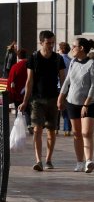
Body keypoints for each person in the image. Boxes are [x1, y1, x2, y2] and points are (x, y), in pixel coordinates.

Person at [18, 30, 66, 172]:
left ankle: (48, 159)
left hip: (53, 99)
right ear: (41, 42)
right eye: (48, 43)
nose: (51, 45)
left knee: (51, 130)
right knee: (37, 129)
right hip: (37, 99)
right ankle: (38, 160)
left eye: (52, 43)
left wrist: (62, 98)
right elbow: (29, 81)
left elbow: (63, 79)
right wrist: (25, 101)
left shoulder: (58, 59)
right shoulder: (33, 58)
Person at [57, 38, 94, 173]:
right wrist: (61, 97)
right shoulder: (73, 62)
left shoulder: (92, 63)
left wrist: (86, 104)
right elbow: (67, 80)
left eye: (74, 46)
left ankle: (89, 161)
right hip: (72, 102)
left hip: (89, 103)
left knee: (86, 133)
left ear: (81, 48)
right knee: (77, 134)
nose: (72, 48)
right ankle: (79, 162)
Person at [8, 48, 31, 132]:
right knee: (28, 109)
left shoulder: (15, 67)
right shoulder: (30, 65)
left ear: (18, 56)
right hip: (28, 92)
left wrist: (11, 92)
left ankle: (18, 126)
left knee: (19, 109)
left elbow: (11, 80)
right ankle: (29, 124)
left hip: (18, 93)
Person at [58, 42, 72, 136]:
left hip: (58, 86)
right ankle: (67, 129)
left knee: (57, 108)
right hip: (69, 86)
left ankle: (55, 128)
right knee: (66, 109)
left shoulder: (58, 59)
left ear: (62, 49)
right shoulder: (71, 60)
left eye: (58, 49)